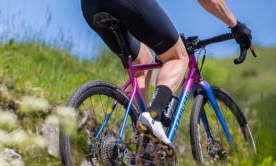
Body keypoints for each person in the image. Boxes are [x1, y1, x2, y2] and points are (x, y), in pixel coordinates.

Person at [81, 0, 252, 151]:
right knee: (178, 56)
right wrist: (236, 26)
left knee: (143, 62)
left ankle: (143, 141)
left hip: (90, 5)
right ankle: (153, 116)